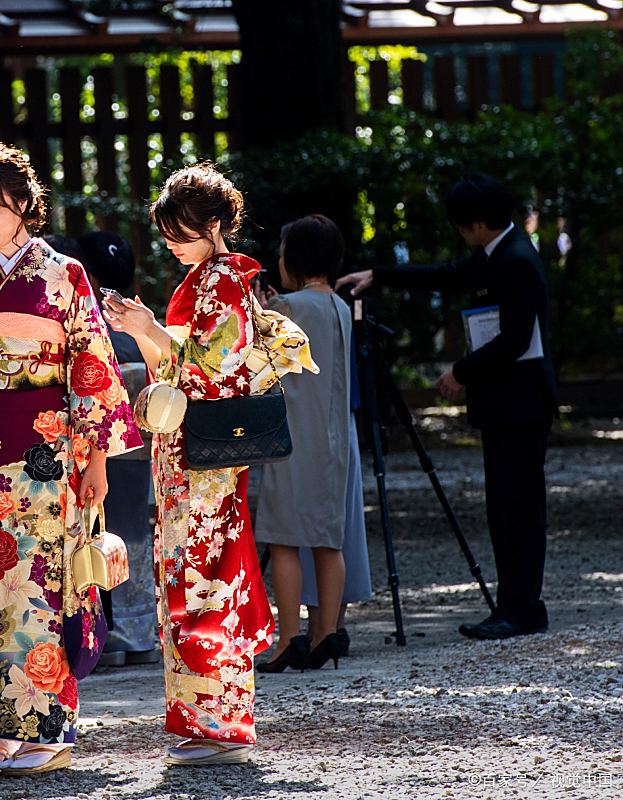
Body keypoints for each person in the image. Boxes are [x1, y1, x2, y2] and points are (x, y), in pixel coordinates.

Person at [0, 143, 142, 776]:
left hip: (47, 451)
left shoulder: (64, 274)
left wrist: (96, 458)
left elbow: (92, 362)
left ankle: (50, 732)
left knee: (43, 586)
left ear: (23, 206)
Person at [103, 164, 315, 765]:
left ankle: (218, 724)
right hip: (186, 455)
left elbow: (213, 372)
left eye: (181, 233)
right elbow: (180, 367)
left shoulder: (221, 280)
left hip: (203, 464)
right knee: (191, 575)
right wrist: (143, 331)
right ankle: (204, 720)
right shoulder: (207, 278)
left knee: (204, 576)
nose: (172, 245)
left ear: (215, 226)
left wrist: (149, 328)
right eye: (167, 234)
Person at [337, 173, 557, 640]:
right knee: (506, 506)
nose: (461, 234)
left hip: (521, 405)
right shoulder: (499, 252)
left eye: (461, 225)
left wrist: (460, 371)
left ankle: (523, 606)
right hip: (508, 406)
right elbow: (447, 273)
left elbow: (516, 340)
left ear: (477, 224)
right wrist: (381, 276)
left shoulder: (516, 262)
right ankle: (515, 603)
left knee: (517, 508)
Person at [251, 215, 368, 672]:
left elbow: (258, 358)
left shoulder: (288, 307)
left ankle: (287, 639)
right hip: (335, 438)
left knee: (283, 540)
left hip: (294, 435)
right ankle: (326, 635)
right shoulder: (339, 306)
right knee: (327, 539)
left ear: (294, 259)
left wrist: (262, 309)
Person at [73, 230, 160, 666]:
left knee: (99, 529)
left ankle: (107, 634)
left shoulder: (88, 321)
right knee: (136, 531)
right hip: (140, 443)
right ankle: (141, 633)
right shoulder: (135, 322)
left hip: (99, 443)